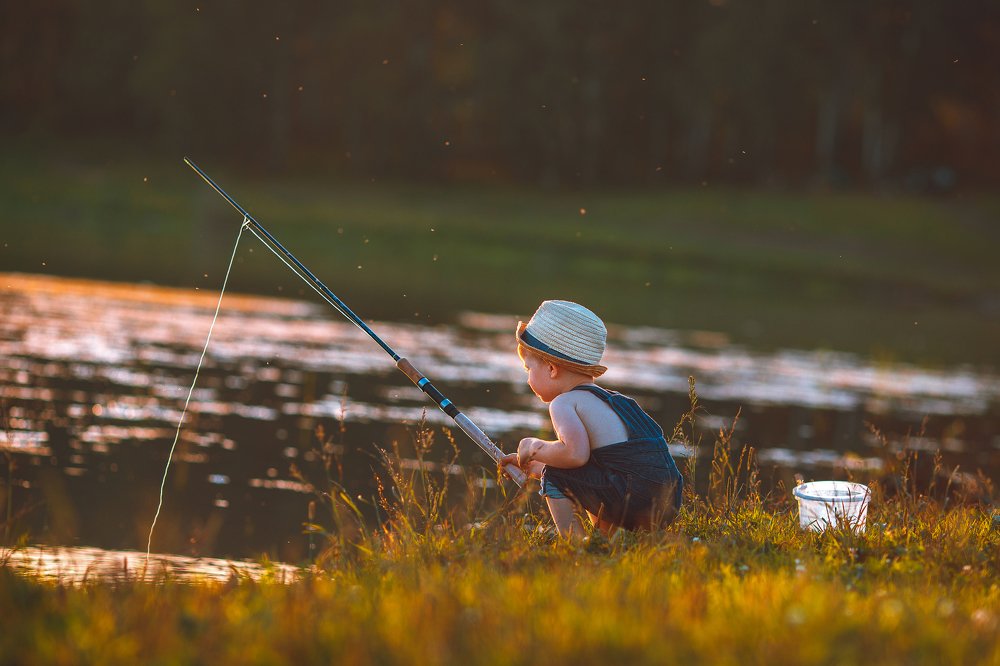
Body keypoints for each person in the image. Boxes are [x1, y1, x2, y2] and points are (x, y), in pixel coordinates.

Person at [500, 300, 683, 538]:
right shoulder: (614, 401)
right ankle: (603, 539)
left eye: (528, 369)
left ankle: (575, 545)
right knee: (587, 471)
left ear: (552, 369)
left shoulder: (564, 403)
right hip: (666, 502)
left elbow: (575, 456)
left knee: (554, 476)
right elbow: (591, 468)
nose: (527, 379)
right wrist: (533, 465)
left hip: (633, 498)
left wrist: (533, 447)